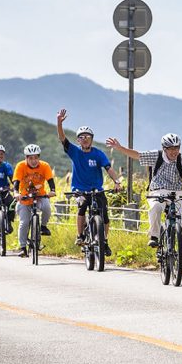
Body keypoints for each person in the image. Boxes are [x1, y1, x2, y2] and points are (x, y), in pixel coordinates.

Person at [106, 132, 182, 273]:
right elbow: (137, 155)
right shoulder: (156, 156)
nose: (174, 151)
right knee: (156, 207)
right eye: (171, 148)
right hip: (158, 190)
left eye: (177, 148)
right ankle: (154, 235)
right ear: (165, 148)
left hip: (177, 191)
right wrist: (119, 148)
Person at [56, 109, 121, 257]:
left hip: (96, 189)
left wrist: (116, 181)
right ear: (78, 140)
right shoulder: (74, 151)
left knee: (104, 214)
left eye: (88, 137)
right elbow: (62, 138)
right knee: (82, 206)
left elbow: (108, 168)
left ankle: (104, 241)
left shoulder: (98, 153)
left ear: (92, 139)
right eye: (81, 137)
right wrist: (59, 123)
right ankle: (80, 236)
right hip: (79, 190)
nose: (85, 139)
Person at [12, 144, 57, 258]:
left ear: (39, 157)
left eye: (36, 157)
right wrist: (16, 193)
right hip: (24, 198)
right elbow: (16, 181)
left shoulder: (44, 166)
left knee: (47, 208)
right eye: (30, 158)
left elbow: (50, 180)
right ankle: (22, 248)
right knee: (24, 223)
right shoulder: (21, 166)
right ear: (26, 158)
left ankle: (43, 226)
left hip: (40, 196)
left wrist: (52, 190)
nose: (33, 161)